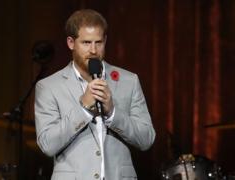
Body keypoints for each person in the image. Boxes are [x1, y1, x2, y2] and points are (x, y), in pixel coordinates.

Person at [34, 9, 156, 180]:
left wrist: (113, 113)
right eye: (86, 42)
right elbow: (47, 144)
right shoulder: (49, 87)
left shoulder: (128, 81)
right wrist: (83, 108)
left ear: (105, 40)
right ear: (71, 43)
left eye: (98, 42)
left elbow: (146, 139)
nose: (93, 50)